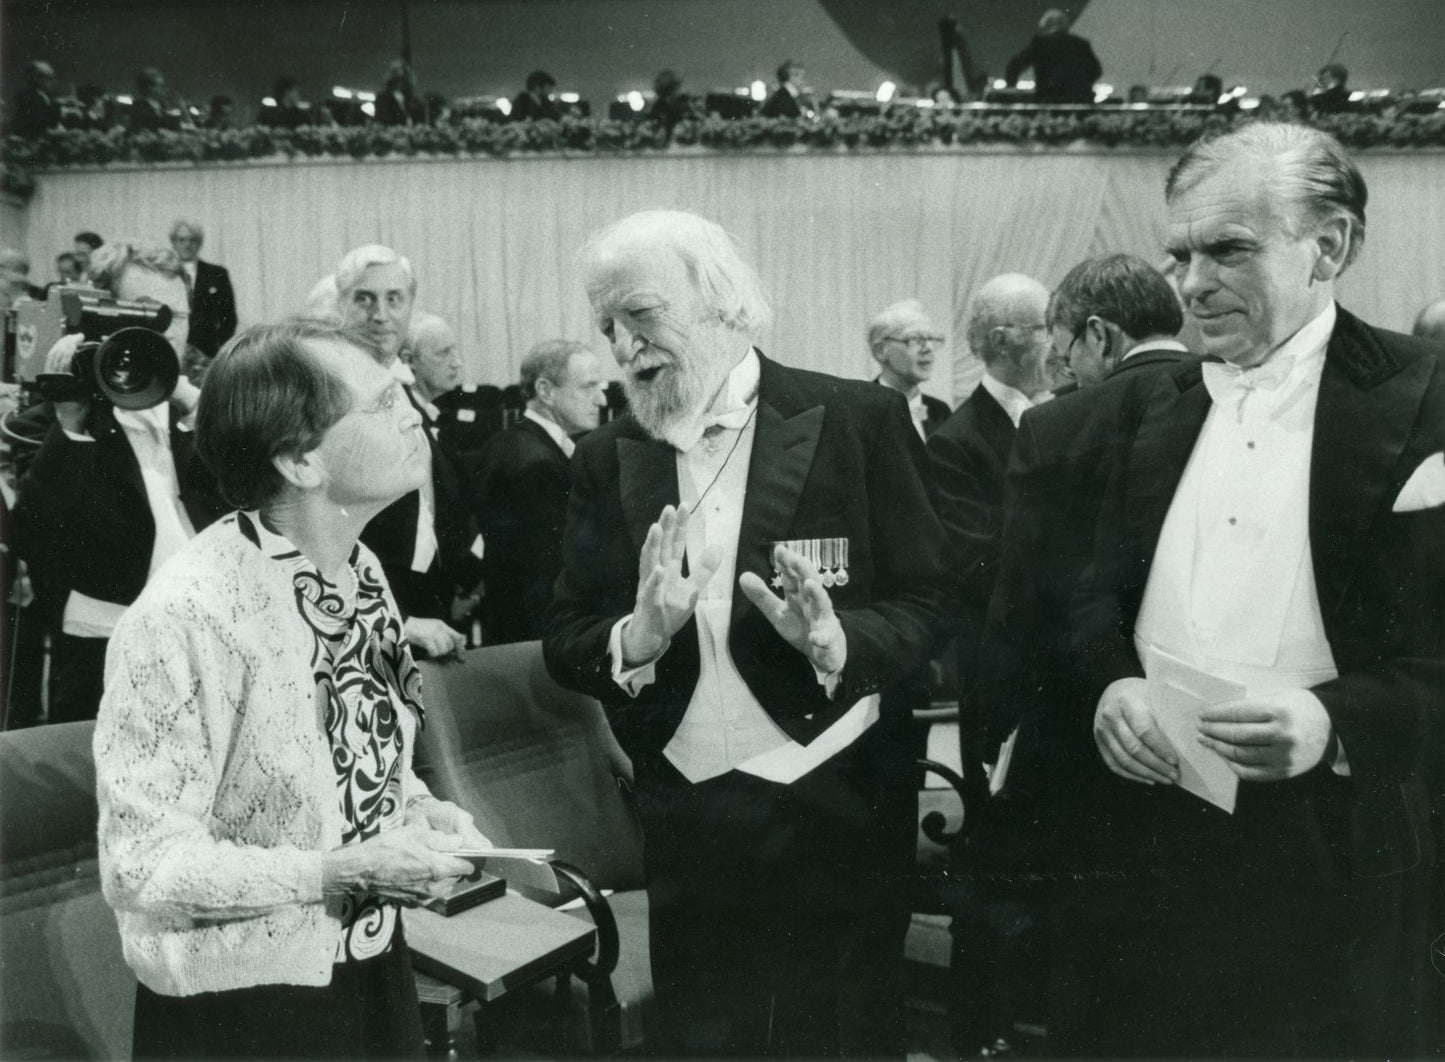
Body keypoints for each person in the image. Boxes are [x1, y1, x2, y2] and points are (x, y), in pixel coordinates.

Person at [1051, 121, 1443, 1057]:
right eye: (1177, 253)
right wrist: (1110, 680)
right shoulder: (1144, 406)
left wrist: (1339, 721)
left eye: (1227, 250)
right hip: (1135, 834)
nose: (1188, 285)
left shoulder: (1430, 400)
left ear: (1330, 246)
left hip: (1333, 852)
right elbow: (1085, 595)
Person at [544, 209, 952, 1057]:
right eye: (607, 327)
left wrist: (840, 641)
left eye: (641, 315)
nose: (623, 346)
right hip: (687, 806)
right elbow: (565, 635)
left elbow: (929, 598)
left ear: (722, 300)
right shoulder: (604, 455)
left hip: (836, 793)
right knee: (704, 1037)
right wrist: (635, 638)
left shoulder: (857, 420)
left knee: (840, 1034)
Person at [95, 317, 488, 1060]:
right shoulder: (183, 616)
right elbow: (141, 866)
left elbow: (368, 764)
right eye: (379, 402)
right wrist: (343, 871)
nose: (410, 410)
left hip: (368, 961)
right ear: (301, 461)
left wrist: (426, 814)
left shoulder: (362, 574)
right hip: (242, 1008)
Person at [12, 242, 224, 724]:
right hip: (105, 662)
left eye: (177, 314)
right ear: (100, 315)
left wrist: (198, 407)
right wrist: (72, 423)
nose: (165, 330)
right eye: (146, 312)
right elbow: (39, 538)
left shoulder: (193, 411)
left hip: (204, 651)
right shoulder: (50, 423)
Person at [334, 245, 482, 658]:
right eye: (365, 298)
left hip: (421, 597)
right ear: (342, 303)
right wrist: (391, 616)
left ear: (410, 305)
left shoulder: (400, 390)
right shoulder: (327, 391)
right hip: (366, 614)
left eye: (394, 299)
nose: (380, 314)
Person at [928, 274, 1053, 714]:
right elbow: (976, 564)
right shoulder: (954, 442)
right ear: (1002, 341)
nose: (1060, 343)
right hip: (1004, 654)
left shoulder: (1065, 413)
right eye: (1047, 328)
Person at [474, 339, 606, 645]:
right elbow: (546, 576)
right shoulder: (538, 464)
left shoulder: (507, 441)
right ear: (545, 391)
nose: (600, 399)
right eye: (588, 387)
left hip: (510, 628)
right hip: (535, 638)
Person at [867, 299, 951, 439]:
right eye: (915, 339)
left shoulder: (940, 411)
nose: (928, 348)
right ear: (880, 351)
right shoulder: (860, 410)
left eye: (931, 339)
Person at [169, 219, 238, 358]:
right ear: (173, 243)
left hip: (207, 352)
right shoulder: (165, 273)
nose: (187, 245)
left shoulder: (217, 273)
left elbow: (229, 317)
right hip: (171, 349)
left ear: (199, 243)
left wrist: (221, 349)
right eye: (181, 240)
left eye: (192, 240)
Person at [1003, 9, 1102, 105]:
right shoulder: (1082, 44)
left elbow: (1013, 67)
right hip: (1079, 100)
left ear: (1045, 25)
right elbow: (1096, 70)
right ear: (1065, 25)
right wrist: (1081, 85)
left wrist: (1011, 88)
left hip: (1049, 100)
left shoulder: (1040, 44)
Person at [9, 59, 61, 139]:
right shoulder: (32, 98)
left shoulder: (40, 96)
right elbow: (40, 124)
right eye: (49, 78)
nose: (53, 82)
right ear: (38, 79)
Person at [375, 61, 425, 126]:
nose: (403, 84)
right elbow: (383, 119)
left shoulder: (412, 100)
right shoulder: (383, 97)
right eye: (400, 79)